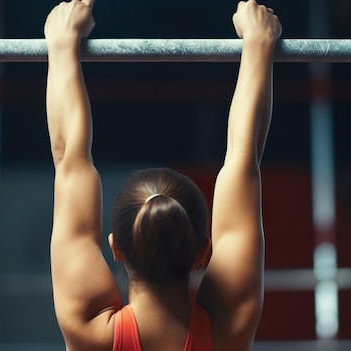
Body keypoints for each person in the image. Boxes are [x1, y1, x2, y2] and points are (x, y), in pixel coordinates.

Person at [44, 0, 281, 349]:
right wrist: (259, 43)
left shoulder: (90, 330)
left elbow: (69, 157)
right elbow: (243, 157)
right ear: (204, 252)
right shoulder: (226, 326)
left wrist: (62, 43)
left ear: (116, 248)